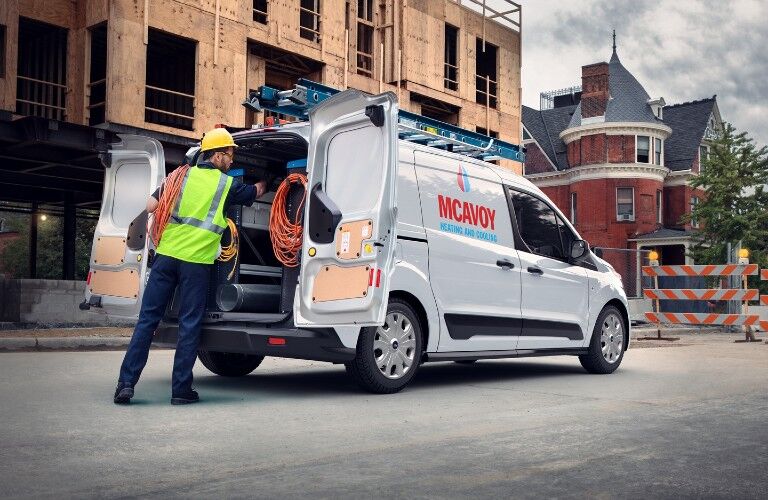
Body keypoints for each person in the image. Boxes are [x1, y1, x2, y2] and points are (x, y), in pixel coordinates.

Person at [114, 128, 266, 405]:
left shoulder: (179, 177)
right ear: (217, 156)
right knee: (189, 324)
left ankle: (125, 385)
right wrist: (267, 180)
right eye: (229, 154)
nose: (232, 160)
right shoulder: (226, 185)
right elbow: (254, 192)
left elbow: (150, 205)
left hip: (166, 257)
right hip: (195, 264)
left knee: (147, 321)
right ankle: (181, 391)